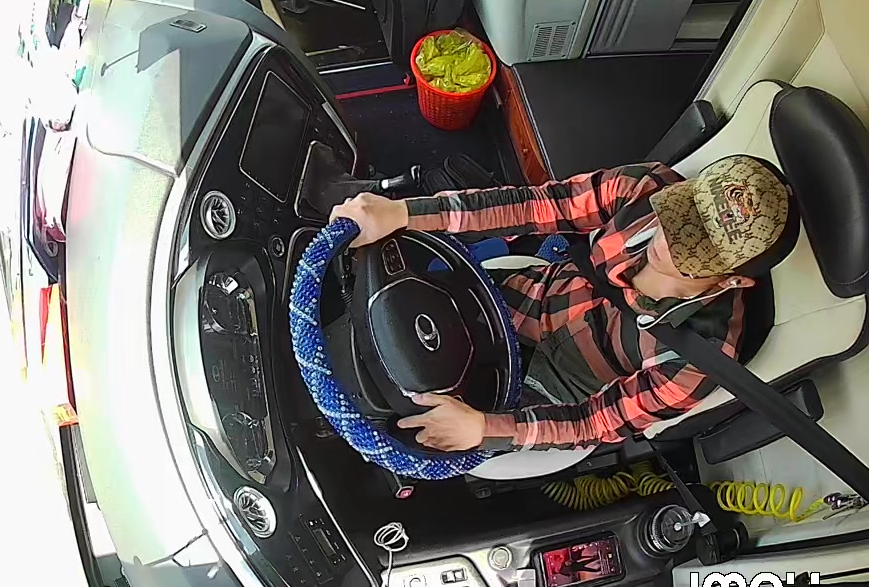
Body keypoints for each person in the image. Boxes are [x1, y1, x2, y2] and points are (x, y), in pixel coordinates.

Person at [329, 154, 798, 452]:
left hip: (551, 393)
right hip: (522, 297)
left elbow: (594, 422)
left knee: (401, 428)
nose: (665, 239)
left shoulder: (699, 361)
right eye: (680, 214)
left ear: (734, 280)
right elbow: (535, 205)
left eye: (692, 248)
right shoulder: (645, 190)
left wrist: (485, 429)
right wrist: (405, 213)